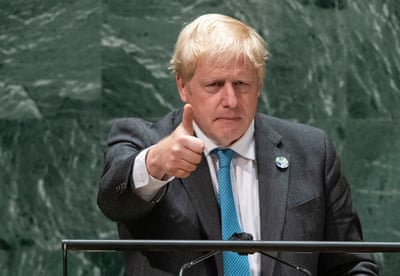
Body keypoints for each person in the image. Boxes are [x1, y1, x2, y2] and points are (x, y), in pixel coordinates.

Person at [97, 13, 379, 276]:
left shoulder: (312, 152)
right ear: (183, 86)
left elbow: (352, 264)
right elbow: (112, 201)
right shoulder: (142, 140)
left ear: (259, 85)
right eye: (215, 85)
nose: (231, 100)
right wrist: (155, 163)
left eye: (242, 83)